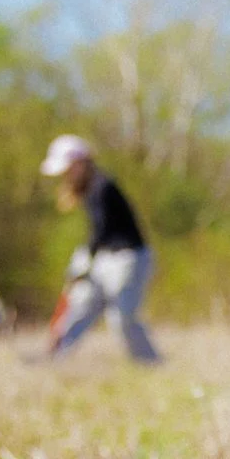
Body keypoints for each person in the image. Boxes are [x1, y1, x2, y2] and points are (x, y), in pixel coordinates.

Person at [39, 134, 160, 363]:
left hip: (128, 258)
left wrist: (84, 261)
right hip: (106, 258)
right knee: (82, 304)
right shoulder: (89, 190)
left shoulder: (104, 187)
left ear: (81, 163)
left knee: (122, 316)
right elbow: (98, 232)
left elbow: (103, 230)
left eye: (67, 169)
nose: (65, 176)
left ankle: (149, 364)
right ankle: (56, 356)